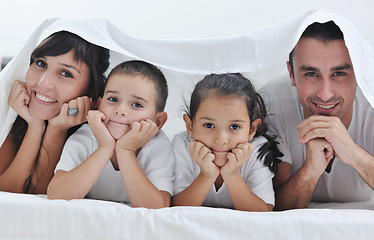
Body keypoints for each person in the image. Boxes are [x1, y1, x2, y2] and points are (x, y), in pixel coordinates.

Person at [262, 21, 374, 210]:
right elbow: (270, 208)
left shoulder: (371, 106)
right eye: (311, 74)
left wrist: (353, 153)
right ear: (291, 73)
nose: (325, 94)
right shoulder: (269, 105)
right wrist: (310, 171)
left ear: (359, 73)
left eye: (339, 73)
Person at [47, 60, 174, 209]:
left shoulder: (158, 147)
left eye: (137, 104)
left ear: (158, 122)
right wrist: (104, 147)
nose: (120, 110)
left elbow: (158, 207)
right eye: (113, 99)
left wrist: (125, 151)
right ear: (99, 105)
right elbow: (56, 195)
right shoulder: (85, 137)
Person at [0, 31, 109, 194]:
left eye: (66, 73)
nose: (43, 83)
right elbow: (6, 192)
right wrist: (34, 128)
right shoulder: (12, 102)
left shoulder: (93, 134)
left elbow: (41, 196)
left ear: (90, 90)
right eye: (41, 63)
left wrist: (57, 129)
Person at [171, 73, 283, 211]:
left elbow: (263, 212)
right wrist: (206, 175)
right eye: (209, 125)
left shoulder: (257, 149)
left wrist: (232, 175)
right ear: (190, 126)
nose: (221, 140)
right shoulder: (182, 145)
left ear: (252, 129)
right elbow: (173, 209)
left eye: (235, 127)